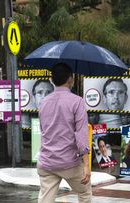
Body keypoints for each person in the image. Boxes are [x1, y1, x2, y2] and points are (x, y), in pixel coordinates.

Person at [37, 63, 91, 203]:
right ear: (70, 79)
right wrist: (86, 165)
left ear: (52, 80)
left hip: (46, 161)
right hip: (69, 163)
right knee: (84, 192)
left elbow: (44, 130)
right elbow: (81, 134)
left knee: (45, 199)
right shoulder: (77, 102)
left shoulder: (43, 102)